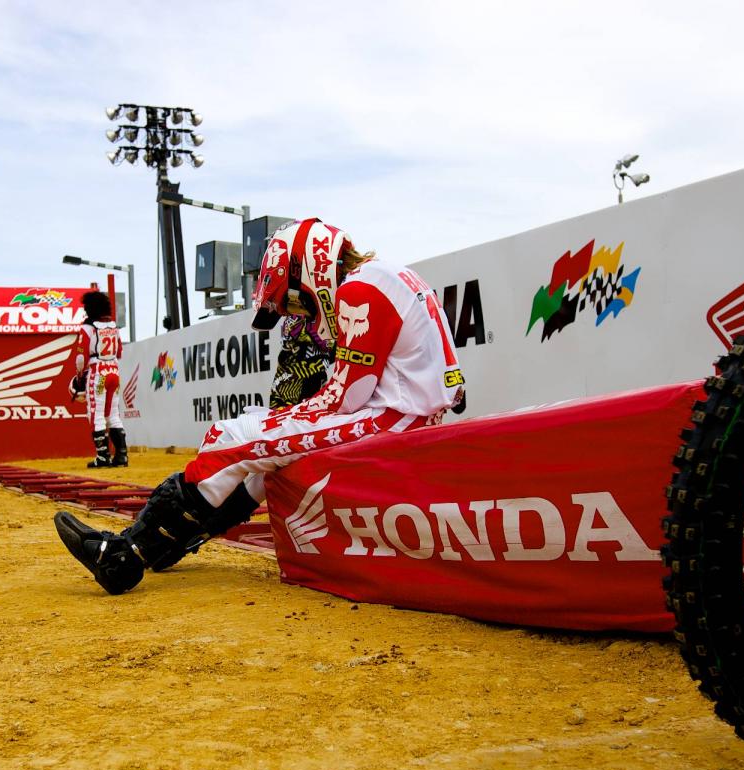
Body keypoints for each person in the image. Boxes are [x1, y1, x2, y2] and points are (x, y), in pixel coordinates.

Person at [55, 218, 466, 593]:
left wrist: (274, 421)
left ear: (306, 268)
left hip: (389, 420)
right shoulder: (388, 276)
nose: (297, 312)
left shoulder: (360, 289)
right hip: (406, 417)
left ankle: (126, 554)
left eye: (292, 301)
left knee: (230, 438)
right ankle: (161, 548)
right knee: (261, 457)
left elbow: (345, 396)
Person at [70, 290, 128, 468]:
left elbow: (81, 358)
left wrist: (80, 375)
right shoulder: (113, 326)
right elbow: (119, 352)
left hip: (98, 372)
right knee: (113, 415)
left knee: (96, 414)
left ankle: (103, 457)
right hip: (114, 371)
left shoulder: (88, 328)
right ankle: (122, 456)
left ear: (90, 308)